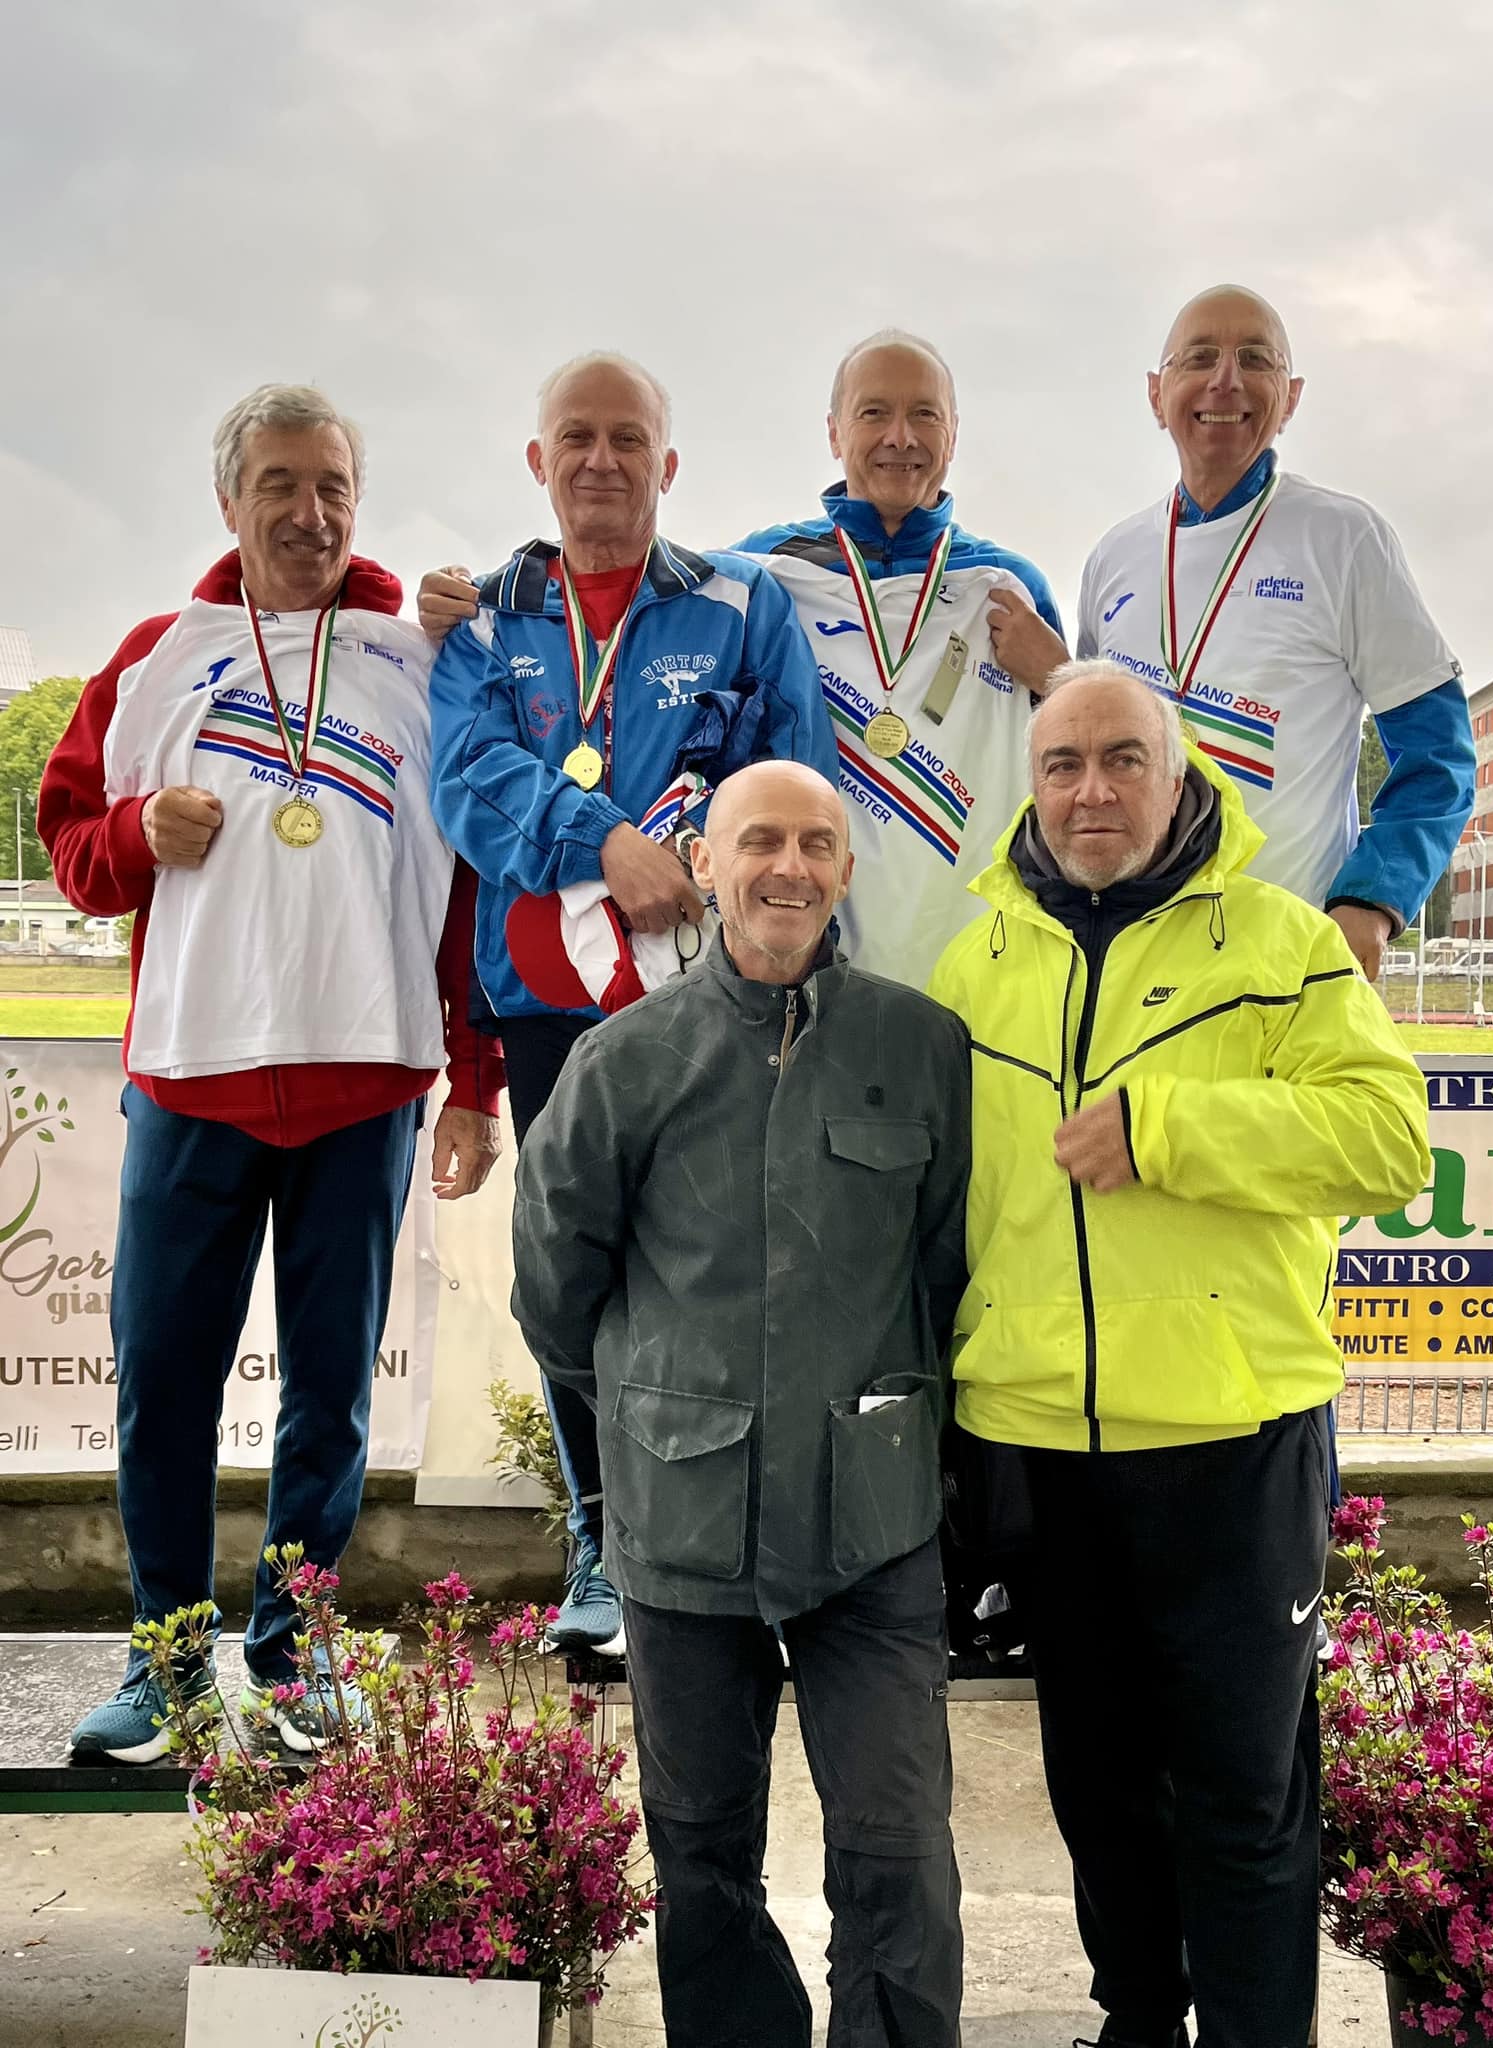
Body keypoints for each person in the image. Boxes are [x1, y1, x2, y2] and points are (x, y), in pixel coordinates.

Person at [927, 664, 1430, 2048]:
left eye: (1123, 759)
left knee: (1242, 1794)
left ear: (1179, 770)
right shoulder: (976, 963)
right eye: (1064, 763)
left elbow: (1389, 1142)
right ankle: (1139, 2020)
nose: (1091, 790)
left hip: (1233, 1440)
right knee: (1096, 1788)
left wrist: (1168, 1129)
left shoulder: (1280, 942)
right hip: (1042, 1445)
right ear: (1034, 782)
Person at [38, 384, 503, 1764]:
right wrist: (136, 833)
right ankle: (168, 1659)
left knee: (332, 1394)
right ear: (228, 501)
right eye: (280, 486)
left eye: (333, 487)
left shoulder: (420, 660)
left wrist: (473, 1077)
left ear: (360, 497)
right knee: (163, 1383)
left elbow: (469, 882)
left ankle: (295, 1655)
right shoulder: (156, 659)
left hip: (365, 1083)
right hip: (195, 1077)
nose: (311, 514)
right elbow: (73, 847)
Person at [511, 761, 969, 2048]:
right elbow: (555, 1291)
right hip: (685, 1524)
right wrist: (666, 1412)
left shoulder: (922, 1045)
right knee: (702, 1851)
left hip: (873, 1523)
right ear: (704, 864)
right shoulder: (622, 1059)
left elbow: (947, 1267)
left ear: (846, 868)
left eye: (818, 842)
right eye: (759, 839)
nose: (790, 865)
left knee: (898, 1845)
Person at [425, 353, 838, 1659]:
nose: (600, 460)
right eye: (576, 437)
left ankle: (746, 1536)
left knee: (732, 1268)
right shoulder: (484, 621)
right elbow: (467, 779)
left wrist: (734, 886)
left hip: (715, 1002)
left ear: (668, 463)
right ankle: (605, 1542)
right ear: (537, 461)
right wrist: (605, 841)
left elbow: (797, 782)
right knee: (574, 1278)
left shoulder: (743, 602)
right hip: (549, 1007)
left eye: (627, 438)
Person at [1056, 283, 1475, 982]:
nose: (1225, 379)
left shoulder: (1345, 539)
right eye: (1199, 357)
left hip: (1286, 964)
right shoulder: (1114, 557)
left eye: (1255, 358)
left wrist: (1371, 900)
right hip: (1132, 961)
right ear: (1157, 394)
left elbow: (1439, 758)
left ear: (1291, 397)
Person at [734, 328, 1068, 985]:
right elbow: (641, 614)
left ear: (953, 433)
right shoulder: (761, 572)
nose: (901, 437)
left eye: (924, 414)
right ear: (834, 433)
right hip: (807, 962)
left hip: (974, 964)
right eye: (874, 413)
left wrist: (1061, 679)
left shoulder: (1008, 585)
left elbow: (1081, 758)